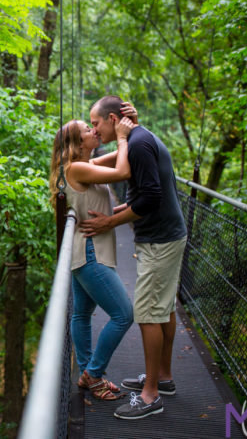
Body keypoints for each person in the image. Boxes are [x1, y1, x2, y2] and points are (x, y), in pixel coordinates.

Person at [81, 95, 187, 420]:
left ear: (113, 119)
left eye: (96, 123)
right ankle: (163, 378)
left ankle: (151, 395)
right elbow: (143, 191)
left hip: (159, 239)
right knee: (163, 308)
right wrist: (120, 210)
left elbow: (151, 197)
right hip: (167, 234)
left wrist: (111, 222)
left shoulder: (137, 145)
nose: (95, 131)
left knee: (147, 314)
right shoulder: (141, 138)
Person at [49, 105, 137, 401]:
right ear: (76, 143)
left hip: (82, 252)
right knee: (124, 314)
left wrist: (131, 128)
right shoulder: (76, 168)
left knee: (83, 314)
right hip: (89, 253)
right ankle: (94, 373)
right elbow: (123, 170)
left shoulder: (85, 165)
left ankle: (88, 373)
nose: (93, 130)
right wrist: (123, 138)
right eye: (87, 129)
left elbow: (119, 159)